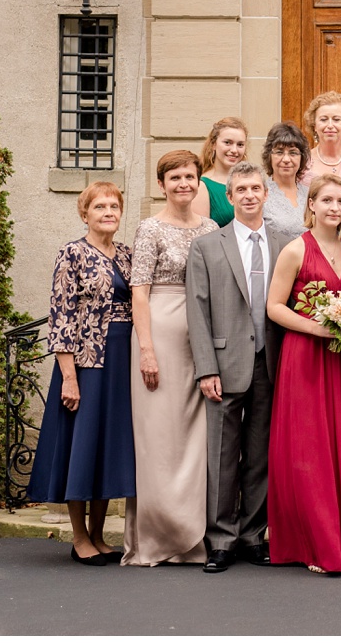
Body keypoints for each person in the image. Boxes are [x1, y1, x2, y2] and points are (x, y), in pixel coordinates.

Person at [264, 174, 341, 575]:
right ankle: (314, 541)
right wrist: (316, 327)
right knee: (308, 446)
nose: (334, 208)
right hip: (306, 357)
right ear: (310, 205)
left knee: (340, 442)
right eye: (326, 200)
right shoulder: (296, 249)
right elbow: (274, 307)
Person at [185, 162, 294, 572]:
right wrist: (206, 368)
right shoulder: (208, 246)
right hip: (224, 363)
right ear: (229, 198)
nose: (249, 195)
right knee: (222, 454)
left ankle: (252, 535)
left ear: (266, 195)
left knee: (261, 454)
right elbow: (197, 311)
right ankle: (220, 540)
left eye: (255, 188)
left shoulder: (286, 244)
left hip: (271, 361)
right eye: (241, 190)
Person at [28, 182, 137, 566]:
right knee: (82, 445)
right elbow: (61, 317)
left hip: (121, 361)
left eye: (114, 206)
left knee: (106, 447)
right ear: (85, 213)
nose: (109, 212)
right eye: (100, 206)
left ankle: (97, 534)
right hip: (86, 364)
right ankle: (79, 538)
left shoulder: (126, 254)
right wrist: (69, 376)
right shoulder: (72, 253)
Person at [122, 151, 217, 567]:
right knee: (159, 437)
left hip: (199, 337)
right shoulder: (149, 229)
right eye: (175, 177)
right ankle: (157, 538)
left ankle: (194, 535)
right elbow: (138, 291)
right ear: (161, 184)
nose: (183, 183)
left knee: (194, 436)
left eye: (190, 177)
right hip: (159, 333)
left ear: (199, 182)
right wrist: (146, 349)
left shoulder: (212, 227)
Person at [195, 117, 249, 228]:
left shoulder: (249, 181)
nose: (234, 150)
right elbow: (201, 237)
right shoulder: (202, 186)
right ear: (213, 144)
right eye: (227, 143)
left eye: (240, 145)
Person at [261, 121, 311, 237]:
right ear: (269, 156)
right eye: (279, 152)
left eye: (293, 153)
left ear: (301, 158)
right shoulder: (260, 194)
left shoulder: (310, 193)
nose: (286, 159)